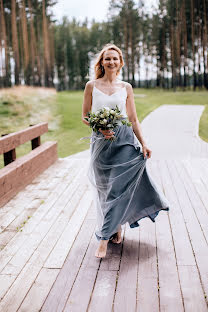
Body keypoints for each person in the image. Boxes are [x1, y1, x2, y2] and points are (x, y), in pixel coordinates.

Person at [82, 43, 169, 258]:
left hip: (124, 141)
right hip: (101, 144)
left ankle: (103, 239)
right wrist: (99, 127)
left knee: (117, 190)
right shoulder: (91, 86)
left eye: (115, 58)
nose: (111, 62)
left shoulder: (126, 87)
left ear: (120, 62)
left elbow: (133, 119)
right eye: (107, 58)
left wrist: (144, 143)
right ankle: (115, 227)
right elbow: (85, 116)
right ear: (101, 62)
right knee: (105, 191)